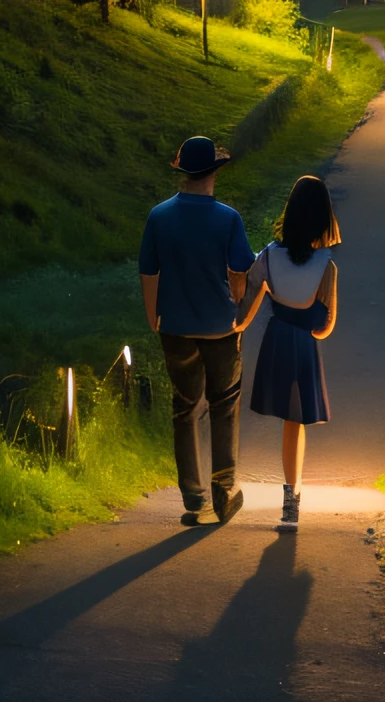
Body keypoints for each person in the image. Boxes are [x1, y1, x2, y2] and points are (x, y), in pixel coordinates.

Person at [138, 136, 255, 527]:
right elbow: (241, 271)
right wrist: (238, 308)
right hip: (220, 327)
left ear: (183, 172)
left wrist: (153, 315)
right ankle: (224, 491)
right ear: (214, 173)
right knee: (224, 405)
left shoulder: (159, 216)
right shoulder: (228, 218)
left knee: (184, 409)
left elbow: (149, 271)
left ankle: (193, 497)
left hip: (175, 326)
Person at [237, 174, 340, 533]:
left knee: (286, 420)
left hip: (276, 339)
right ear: (324, 219)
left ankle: (289, 497)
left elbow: (245, 307)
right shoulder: (326, 266)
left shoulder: (267, 256)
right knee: (295, 422)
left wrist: (233, 328)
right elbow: (326, 325)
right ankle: (291, 499)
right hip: (303, 344)